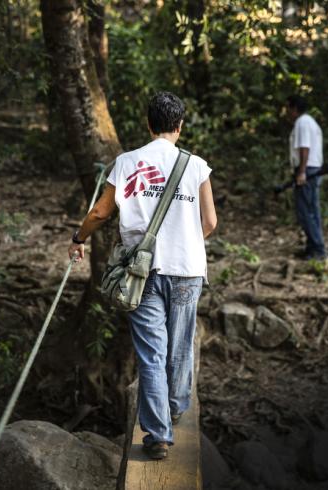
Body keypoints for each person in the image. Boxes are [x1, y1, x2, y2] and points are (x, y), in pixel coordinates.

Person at [67, 91, 217, 460]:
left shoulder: (127, 162)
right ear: (179, 127)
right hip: (187, 270)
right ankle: (177, 405)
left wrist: (78, 237)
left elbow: (101, 213)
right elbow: (210, 222)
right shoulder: (196, 165)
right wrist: (184, 243)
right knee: (180, 344)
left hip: (141, 271)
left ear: (148, 125)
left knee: (151, 353)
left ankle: (157, 436)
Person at [286, 95, 327, 260]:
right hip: (312, 168)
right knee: (312, 210)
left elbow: (305, 147)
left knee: (305, 211)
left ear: (294, 108)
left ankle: (318, 249)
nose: (287, 112)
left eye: (288, 108)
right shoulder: (309, 121)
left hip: (308, 169)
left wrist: (301, 171)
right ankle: (312, 247)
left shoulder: (302, 122)